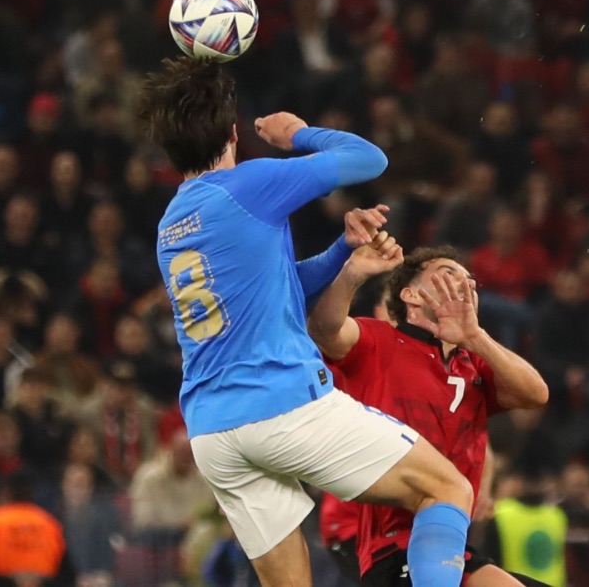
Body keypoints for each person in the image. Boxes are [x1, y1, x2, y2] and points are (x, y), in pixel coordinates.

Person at [140, 57, 476, 587]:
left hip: (212, 430)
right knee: (448, 489)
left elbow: (277, 294)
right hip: (281, 405)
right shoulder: (249, 185)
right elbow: (368, 159)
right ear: (232, 131)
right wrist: (297, 132)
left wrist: (344, 250)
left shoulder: (172, 225)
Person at [308, 242, 550, 586]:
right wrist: (352, 274)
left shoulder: (475, 364)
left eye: (470, 281)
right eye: (448, 275)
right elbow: (325, 328)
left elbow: (536, 393)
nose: (464, 285)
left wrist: (475, 336)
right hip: (393, 545)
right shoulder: (380, 341)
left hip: (453, 544)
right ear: (412, 296)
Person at [0, 469, 77, 587]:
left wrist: (12, 582)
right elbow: (68, 575)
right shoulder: (52, 525)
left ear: (6, 493)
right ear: (33, 494)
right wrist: (39, 582)